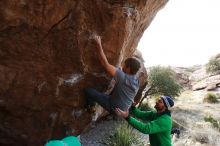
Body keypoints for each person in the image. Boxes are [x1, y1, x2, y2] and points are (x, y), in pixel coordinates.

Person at [84, 34, 141, 114]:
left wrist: (98, 44)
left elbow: (105, 64)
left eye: (124, 65)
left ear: (128, 68)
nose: (122, 66)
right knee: (105, 95)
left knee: (88, 91)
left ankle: (91, 108)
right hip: (122, 110)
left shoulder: (123, 77)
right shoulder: (137, 81)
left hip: (114, 108)